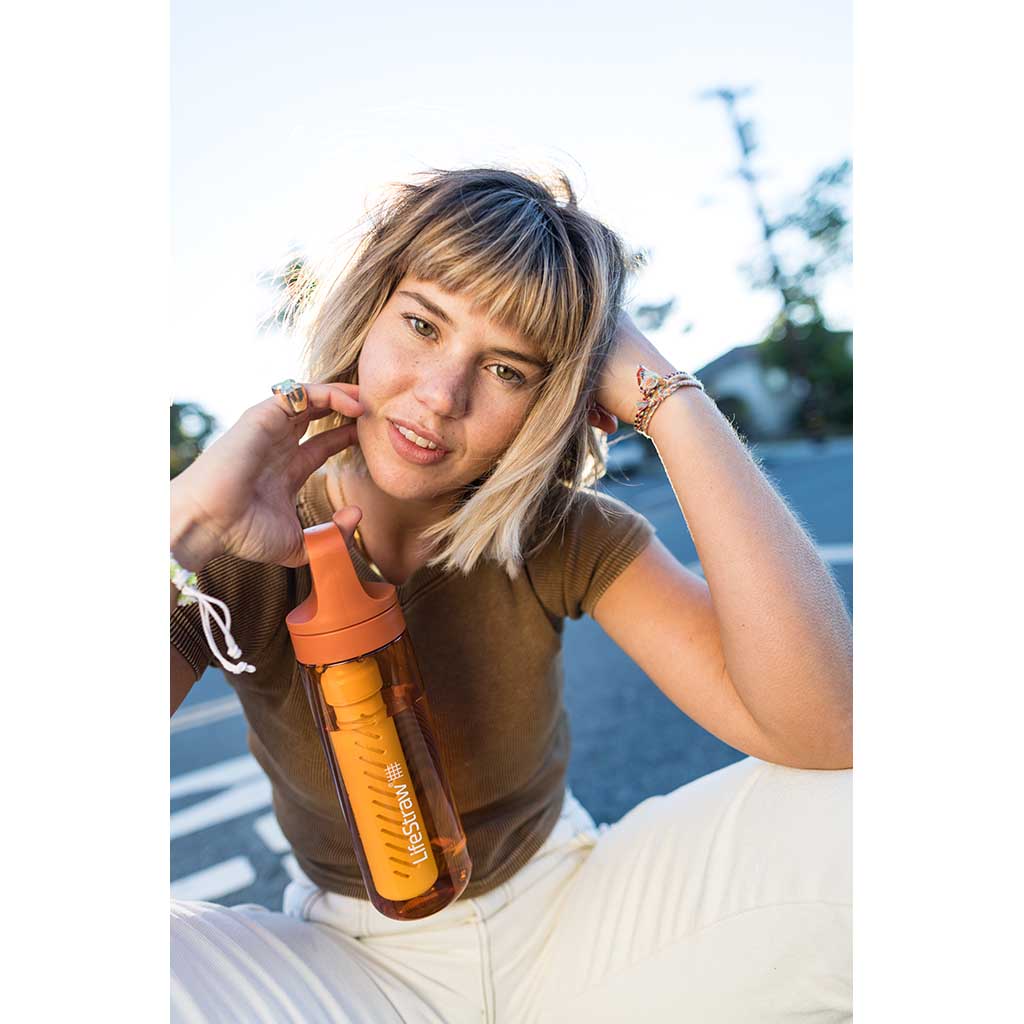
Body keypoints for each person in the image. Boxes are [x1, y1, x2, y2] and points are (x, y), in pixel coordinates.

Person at [170, 165, 853, 1023]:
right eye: (423, 324)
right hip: (348, 965)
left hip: (575, 922)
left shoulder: (557, 531)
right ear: (367, 309)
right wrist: (186, 526)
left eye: (508, 368)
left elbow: (826, 730)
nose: (440, 396)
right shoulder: (233, 547)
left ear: (556, 397)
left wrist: (670, 400)